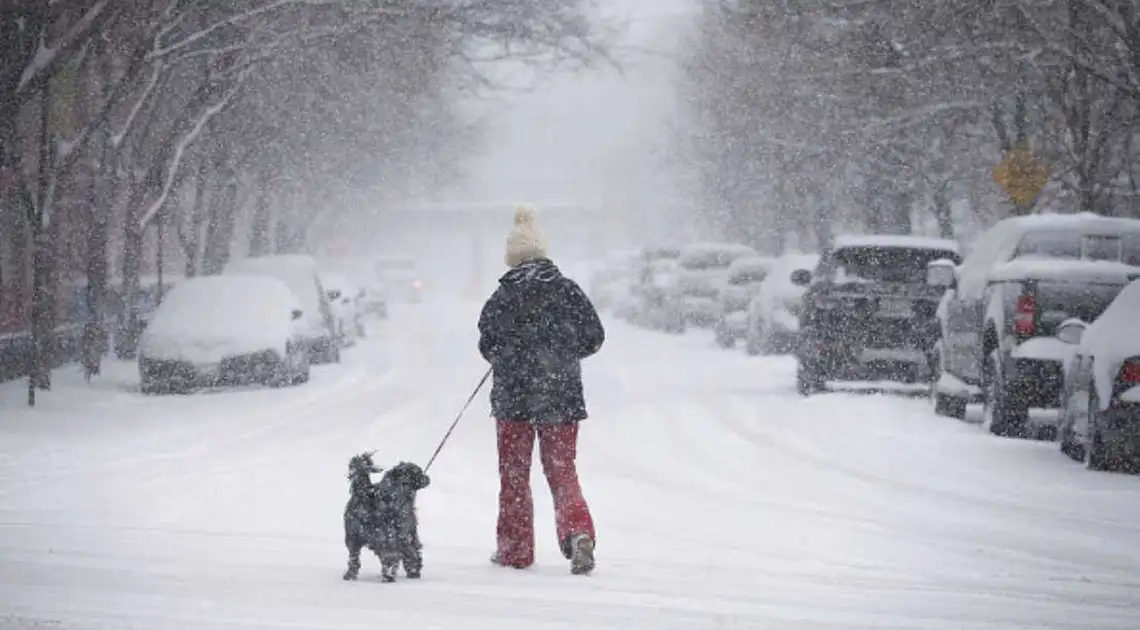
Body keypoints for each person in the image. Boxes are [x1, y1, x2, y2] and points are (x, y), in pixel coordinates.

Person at [477, 204, 605, 575]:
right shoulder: (567, 291)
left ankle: (515, 550)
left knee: (515, 476)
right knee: (562, 472)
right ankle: (579, 532)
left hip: (513, 400)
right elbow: (594, 337)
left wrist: (510, 357)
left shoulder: (503, 296)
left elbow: (487, 344)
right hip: (560, 396)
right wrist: (562, 356)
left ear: (513, 256)